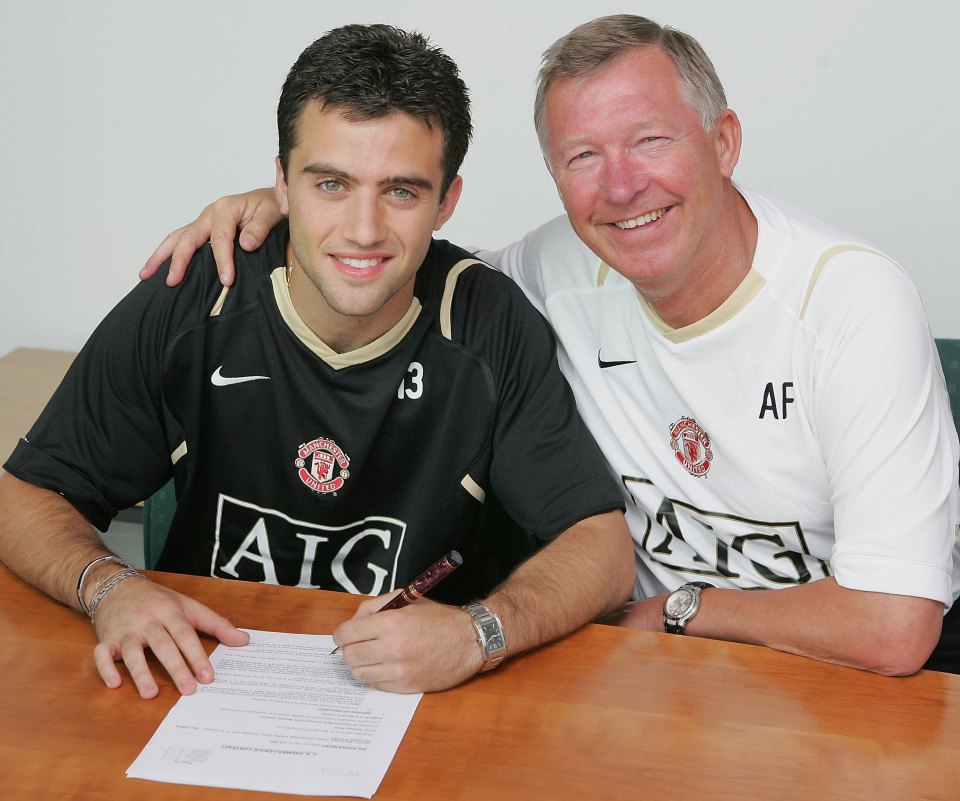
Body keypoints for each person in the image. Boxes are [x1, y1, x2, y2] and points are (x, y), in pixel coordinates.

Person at [148, 14, 960, 676]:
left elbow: (892, 625)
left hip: (820, 682)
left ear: (724, 142)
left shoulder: (853, 302)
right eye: (582, 157)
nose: (620, 186)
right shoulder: (551, 270)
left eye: (651, 140)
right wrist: (283, 210)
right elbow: (388, 258)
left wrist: (677, 611)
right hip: (619, 679)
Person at [0, 24, 635, 700]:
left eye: (401, 191)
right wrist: (111, 587)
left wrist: (477, 633)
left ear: (446, 200)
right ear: (280, 182)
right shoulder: (198, 290)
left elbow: (602, 548)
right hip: (201, 685)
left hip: (416, 707)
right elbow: (25, 494)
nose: (363, 229)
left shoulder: (488, 322)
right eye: (330, 183)